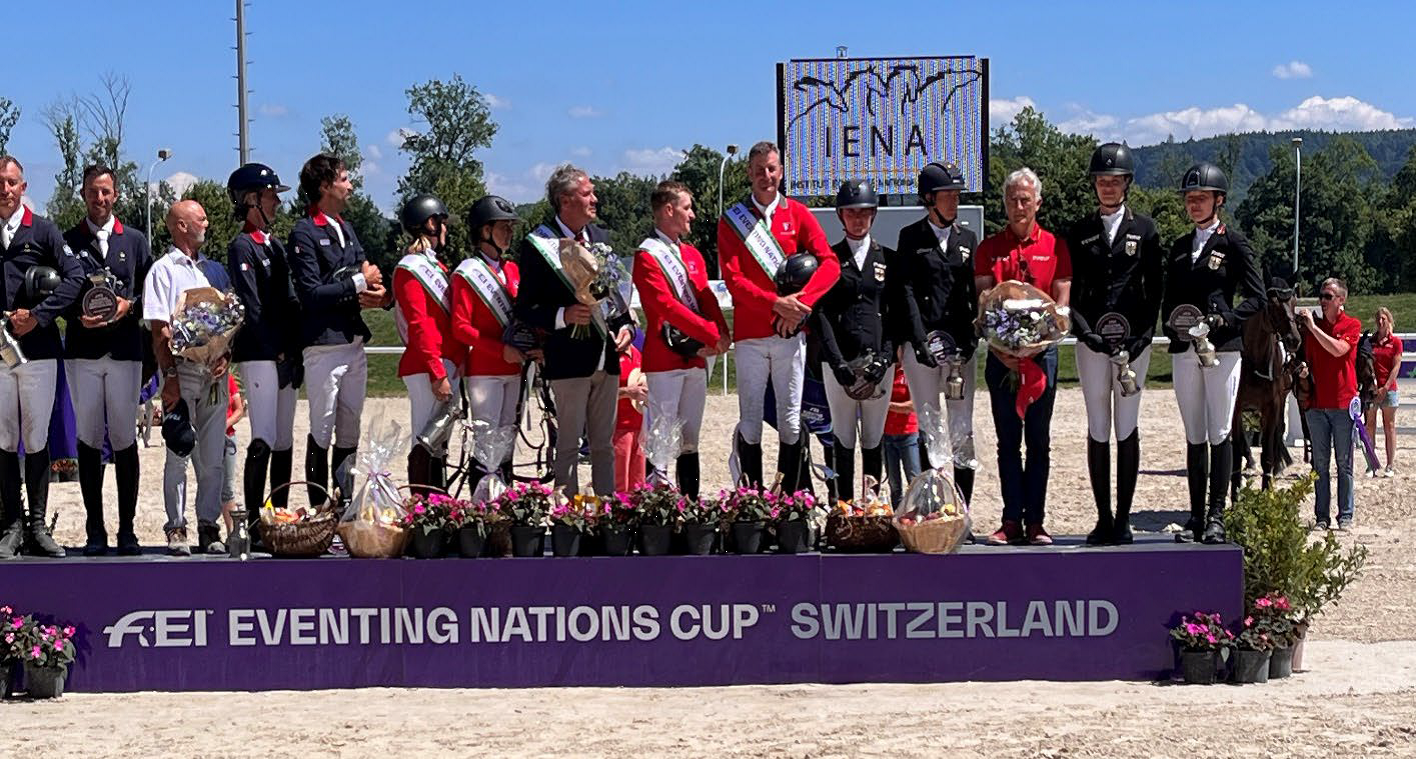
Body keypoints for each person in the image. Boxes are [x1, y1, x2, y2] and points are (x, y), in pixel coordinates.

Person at [718, 141, 839, 488]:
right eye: (759, 170)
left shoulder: (798, 213)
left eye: (771, 169)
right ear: (749, 173)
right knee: (751, 420)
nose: (766, 176)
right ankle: (754, 497)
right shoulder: (732, 221)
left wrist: (801, 303)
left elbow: (830, 264)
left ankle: (790, 498)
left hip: (790, 331)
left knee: (790, 419)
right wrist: (775, 303)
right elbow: (734, 279)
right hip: (751, 334)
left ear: (781, 172)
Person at [513, 164, 635, 497]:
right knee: (568, 445)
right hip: (567, 358)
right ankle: (569, 516)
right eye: (587, 193)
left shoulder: (601, 239)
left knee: (604, 445)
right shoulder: (539, 244)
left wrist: (625, 325)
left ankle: (606, 511)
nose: (595, 199)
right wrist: (563, 315)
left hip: (607, 357)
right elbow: (525, 308)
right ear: (565, 200)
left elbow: (616, 298)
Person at [1065, 143, 1164, 545]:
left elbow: (1154, 288)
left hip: (1132, 343)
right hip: (1091, 340)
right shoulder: (1079, 231)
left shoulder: (1146, 229)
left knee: (1127, 424)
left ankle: (1123, 517)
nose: (1108, 186)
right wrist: (1083, 330)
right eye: (1102, 180)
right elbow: (1071, 288)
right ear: (1095, 185)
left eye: (1115, 181)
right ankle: (1102, 517)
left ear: (1127, 184)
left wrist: (1143, 336)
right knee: (1097, 425)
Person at [1161, 163, 1264, 544]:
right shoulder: (1179, 247)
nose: (1194, 204)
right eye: (1190, 199)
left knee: (1219, 429)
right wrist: (1170, 325)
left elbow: (1257, 297)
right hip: (1185, 346)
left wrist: (1226, 319)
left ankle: (1217, 514)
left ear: (1218, 200)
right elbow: (1169, 297)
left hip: (1221, 348)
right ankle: (1195, 515)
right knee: (1193, 432)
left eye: (1201, 198)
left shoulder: (1233, 243)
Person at [975, 168, 1072, 547]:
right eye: (1012, 199)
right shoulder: (988, 248)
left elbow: (1061, 304)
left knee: (1039, 442)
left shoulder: (1056, 245)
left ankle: (1037, 522)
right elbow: (984, 304)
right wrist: (1003, 349)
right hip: (1001, 359)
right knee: (1007, 442)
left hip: (1042, 358)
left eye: (1025, 200)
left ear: (1038, 203)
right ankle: (1011, 519)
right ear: (1005, 203)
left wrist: (1036, 346)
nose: (1018, 206)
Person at [288, 153, 391, 509]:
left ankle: (344, 501)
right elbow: (312, 294)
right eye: (344, 179)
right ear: (324, 186)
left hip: (353, 340)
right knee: (322, 428)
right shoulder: (304, 232)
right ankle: (320, 507)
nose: (350, 185)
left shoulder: (346, 228)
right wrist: (361, 281)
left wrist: (378, 294)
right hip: (323, 346)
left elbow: (366, 273)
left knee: (350, 428)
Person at [62, 163, 153, 556]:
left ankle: (127, 530)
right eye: (92, 191)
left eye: (106, 191)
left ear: (115, 194)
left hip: (124, 352)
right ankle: (94, 529)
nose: (99, 198)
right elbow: (60, 293)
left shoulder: (134, 240)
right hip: (82, 353)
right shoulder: (67, 240)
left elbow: (152, 292)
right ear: (83, 194)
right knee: (88, 437)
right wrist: (74, 314)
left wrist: (129, 306)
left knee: (123, 437)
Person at [0, 156, 84, 559]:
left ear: (23, 186)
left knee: (35, 439)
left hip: (38, 351)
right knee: (3, 439)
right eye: (0, 182)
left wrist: (38, 316)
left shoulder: (44, 230)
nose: (5, 189)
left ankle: (37, 525)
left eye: (11, 182)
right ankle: (11, 525)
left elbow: (76, 277)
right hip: (0, 353)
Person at [889, 161, 980, 505]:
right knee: (930, 424)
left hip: (959, 346)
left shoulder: (967, 239)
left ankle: (963, 508)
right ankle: (935, 503)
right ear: (929, 198)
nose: (954, 201)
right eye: (947, 195)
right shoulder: (911, 238)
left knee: (962, 425)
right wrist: (917, 339)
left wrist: (972, 338)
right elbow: (906, 291)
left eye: (956, 195)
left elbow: (972, 293)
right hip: (924, 343)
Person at [144, 200, 232, 556]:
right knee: (178, 450)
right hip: (181, 370)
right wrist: (169, 376)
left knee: (213, 456)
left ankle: (208, 525)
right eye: (201, 219)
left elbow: (227, 320)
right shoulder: (162, 271)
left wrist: (226, 354)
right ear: (181, 226)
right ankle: (176, 526)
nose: (207, 223)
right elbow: (159, 330)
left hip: (214, 374)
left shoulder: (212, 270)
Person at [632, 181, 730, 499]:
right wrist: (711, 334)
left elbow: (706, 298)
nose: (693, 215)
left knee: (690, 438)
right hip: (665, 357)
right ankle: (656, 506)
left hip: (696, 356)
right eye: (687, 208)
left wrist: (722, 332)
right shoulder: (647, 256)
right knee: (661, 436)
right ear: (669, 210)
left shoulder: (692, 254)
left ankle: (690, 504)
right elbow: (665, 306)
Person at [226, 163, 300, 547]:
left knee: (285, 438)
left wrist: (295, 348)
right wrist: (278, 350)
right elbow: (252, 309)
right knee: (265, 436)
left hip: (284, 352)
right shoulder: (243, 246)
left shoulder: (273, 244)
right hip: (260, 353)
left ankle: (279, 516)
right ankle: (255, 523)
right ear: (251, 199)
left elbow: (289, 300)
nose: (277, 202)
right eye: (271, 195)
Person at [811, 180, 894, 503]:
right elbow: (821, 315)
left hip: (877, 363)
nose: (858, 219)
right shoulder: (829, 260)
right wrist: (837, 362)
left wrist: (885, 358)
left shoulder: (887, 258)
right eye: (851, 213)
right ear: (840, 216)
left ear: (873, 215)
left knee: (873, 438)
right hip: (840, 363)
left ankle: (871, 506)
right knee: (843, 437)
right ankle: (843, 505)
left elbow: (895, 314)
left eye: (863, 213)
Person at [452, 195, 532, 484]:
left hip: (515, 369)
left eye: (511, 227)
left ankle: (504, 499)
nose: (510, 233)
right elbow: (461, 327)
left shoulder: (513, 270)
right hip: (486, 370)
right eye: (504, 227)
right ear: (485, 231)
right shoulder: (467, 274)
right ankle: (481, 502)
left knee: (508, 439)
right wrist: (500, 351)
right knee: (486, 442)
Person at [394, 194, 462, 491]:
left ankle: (438, 505)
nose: (445, 229)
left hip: (444, 363)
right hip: (427, 366)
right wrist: (437, 372)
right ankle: (421, 507)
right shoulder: (410, 269)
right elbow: (419, 324)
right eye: (442, 223)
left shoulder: (435, 266)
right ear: (431, 224)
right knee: (425, 442)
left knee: (440, 444)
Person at [1300, 278, 1361, 529]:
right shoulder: (1313, 329)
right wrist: (1303, 370)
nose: (1322, 301)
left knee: (1344, 464)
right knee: (1320, 464)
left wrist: (1314, 328)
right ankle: (1322, 516)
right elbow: (1308, 360)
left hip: (1343, 405)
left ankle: (1345, 515)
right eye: (1321, 296)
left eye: (1328, 296)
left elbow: (1338, 349)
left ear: (1341, 300)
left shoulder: (1352, 325)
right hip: (1316, 405)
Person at [1364, 307, 1401, 476]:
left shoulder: (1396, 342)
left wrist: (1385, 387)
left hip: (1389, 389)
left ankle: (1390, 464)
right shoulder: (1370, 342)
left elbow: (1396, 366)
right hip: (1372, 390)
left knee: (1389, 426)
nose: (1380, 322)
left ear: (1389, 320)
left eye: (1383, 319)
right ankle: (1371, 464)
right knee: (1369, 425)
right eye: (1378, 319)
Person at [882, 362, 921, 509]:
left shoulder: (909, 372)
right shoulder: (884, 373)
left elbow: (913, 405)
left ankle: (917, 511)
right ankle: (897, 512)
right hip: (887, 433)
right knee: (893, 482)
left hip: (908, 432)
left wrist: (887, 405)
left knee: (914, 478)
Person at [614, 342, 647, 491]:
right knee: (619, 480)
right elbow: (597, 394)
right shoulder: (611, 356)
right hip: (618, 426)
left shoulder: (637, 354)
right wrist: (626, 392)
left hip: (639, 425)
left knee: (638, 483)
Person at [220, 372, 244, 536]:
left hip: (228, 436)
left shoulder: (228, 378)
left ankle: (232, 534)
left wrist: (224, 424)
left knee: (227, 488)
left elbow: (239, 410)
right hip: (206, 437)